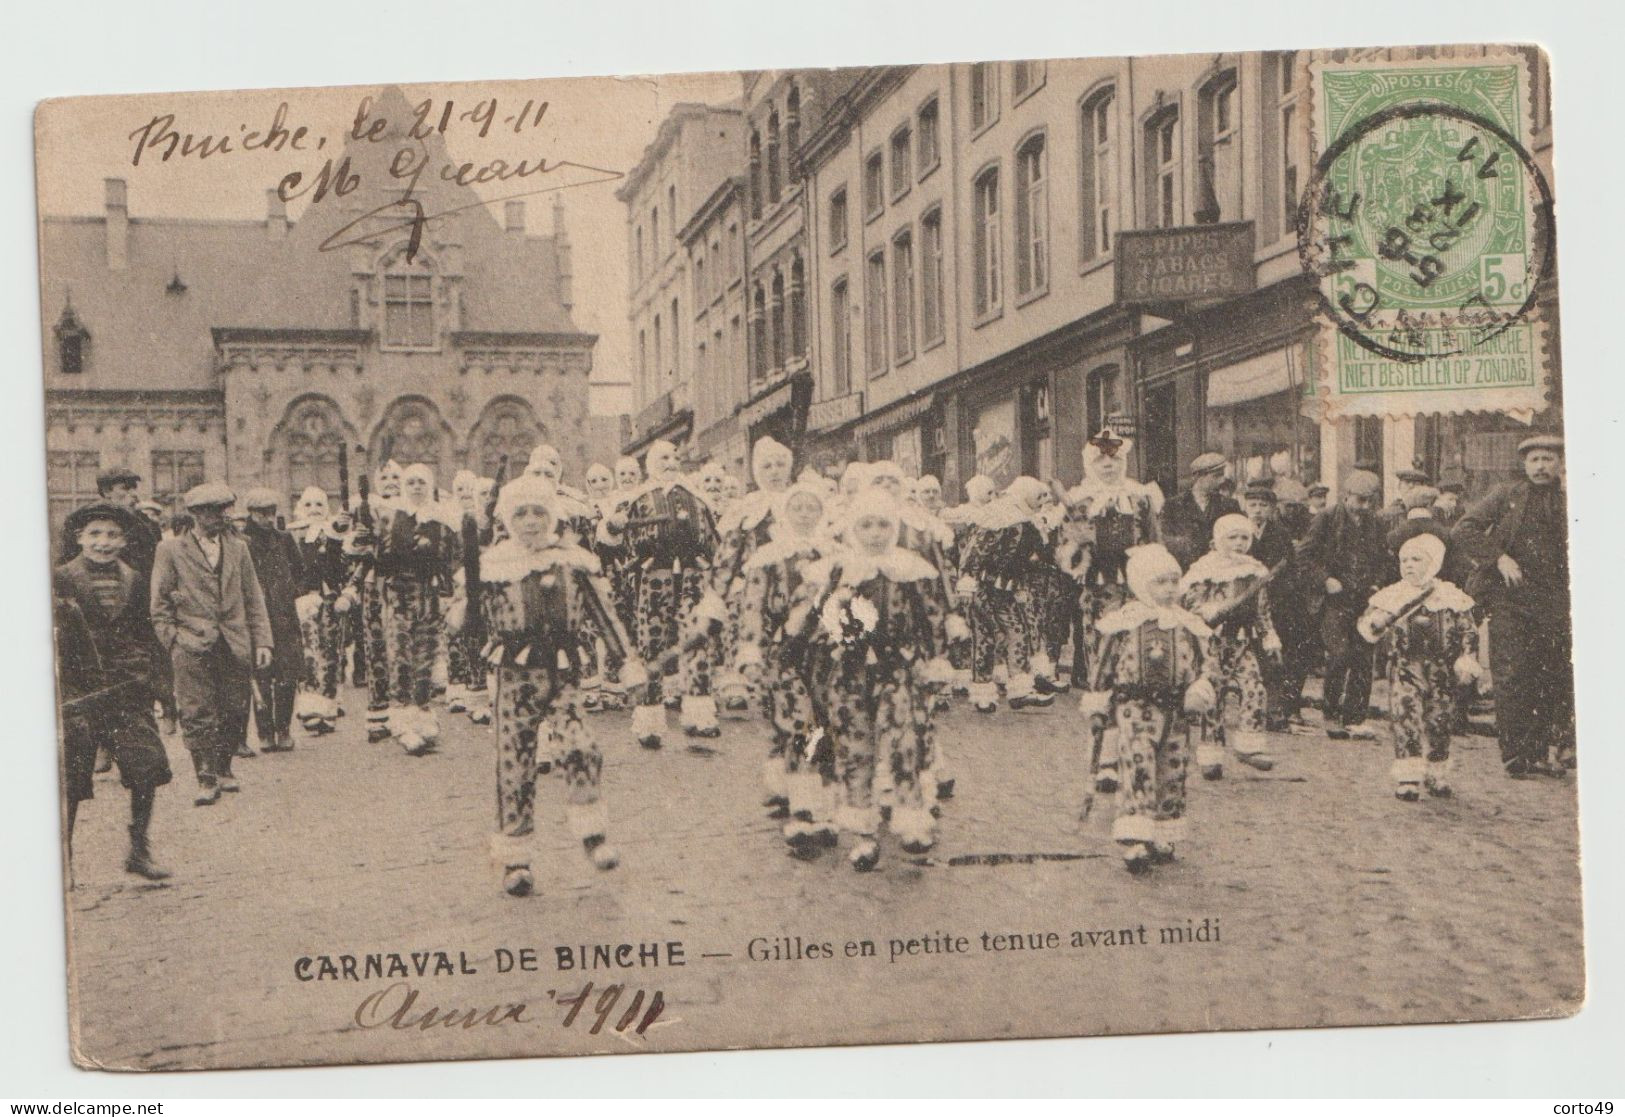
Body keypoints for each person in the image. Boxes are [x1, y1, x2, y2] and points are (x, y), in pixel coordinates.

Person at [460, 473, 639, 897]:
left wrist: (627, 662)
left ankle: (592, 832)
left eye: (538, 512)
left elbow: (604, 615)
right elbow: (465, 618)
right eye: (520, 514)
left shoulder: (572, 562)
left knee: (580, 745)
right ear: (507, 520)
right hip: (514, 675)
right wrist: (463, 609)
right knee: (514, 763)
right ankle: (516, 859)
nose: (530, 522)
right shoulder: (493, 566)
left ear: (551, 516)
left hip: (563, 672)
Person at [786, 488, 953, 869]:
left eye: (882, 525)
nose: (875, 533)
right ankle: (863, 830)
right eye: (866, 525)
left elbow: (932, 618)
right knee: (855, 748)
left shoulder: (908, 569)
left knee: (903, 741)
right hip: (848, 673)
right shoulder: (838, 569)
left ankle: (910, 819)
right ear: (853, 528)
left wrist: (935, 658)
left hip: (897, 670)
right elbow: (813, 616)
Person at [1078, 544, 1218, 875]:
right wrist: (1098, 702)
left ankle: (1162, 830)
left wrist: (1201, 686)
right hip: (1134, 705)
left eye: (1174, 582)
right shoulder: (1125, 622)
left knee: (1172, 769)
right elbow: (1102, 665)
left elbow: (1208, 663)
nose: (1169, 590)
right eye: (1160, 583)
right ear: (1142, 584)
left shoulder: (1188, 624)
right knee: (1138, 764)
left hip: (1176, 709)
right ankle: (1135, 837)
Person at [56, 502, 174, 880]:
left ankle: (138, 849)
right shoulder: (60, 579)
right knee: (70, 779)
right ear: (79, 538)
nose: (103, 543)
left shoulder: (135, 581)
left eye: (111, 535)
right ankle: (63, 860)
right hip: (78, 695)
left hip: (126, 691)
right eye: (94, 534)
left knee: (145, 766)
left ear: (124, 540)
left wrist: (149, 679)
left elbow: (146, 633)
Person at [1453, 434, 1574, 777]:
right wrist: (1499, 558)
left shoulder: (1570, 498)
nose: (1540, 466)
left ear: (1560, 464)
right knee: (1512, 675)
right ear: (1524, 464)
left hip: (1554, 602)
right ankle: (1514, 754)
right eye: (1534, 460)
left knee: (1548, 676)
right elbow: (1465, 529)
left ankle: (1537, 754)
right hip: (1511, 602)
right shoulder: (1507, 495)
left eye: (1547, 459)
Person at [149, 483, 273, 805]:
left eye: (221, 509)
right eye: (207, 510)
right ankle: (205, 777)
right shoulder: (171, 551)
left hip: (233, 642)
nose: (216, 517)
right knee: (196, 709)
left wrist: (263, 642)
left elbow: (253, 598)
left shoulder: (239, 549)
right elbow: (159, 605)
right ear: (193, 514)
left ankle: (224, 767)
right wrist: (174, 640)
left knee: (234, 707)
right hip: (191, 643)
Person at [598, 439, 723, 747]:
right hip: (654, 578)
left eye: (674, 456)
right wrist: (614, 526)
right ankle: (650, 721)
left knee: (697, 641)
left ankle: (700, 715)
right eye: (664, 457)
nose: (671, 462)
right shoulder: (638, 497)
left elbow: (715, 537)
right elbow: (610, 537)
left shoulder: (696, 495)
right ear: (651, 463)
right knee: (651, 646)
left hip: (693, 577)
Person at [736, 481, 839, 852]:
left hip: (828, 653)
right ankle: (804, 808)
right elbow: (753, 607)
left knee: (825, 725)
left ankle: (825, 806)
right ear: (785, 513)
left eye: (812, 508)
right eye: (798, 508)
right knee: (800, 722)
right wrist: (750, 649)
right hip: (785, 652)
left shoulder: (836, 557)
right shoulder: (769, 556)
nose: (805, 514)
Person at [1357, 533, 1482, 800]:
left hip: (1440, 670)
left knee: (1440, 720)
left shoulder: (1449, 595)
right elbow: (1367, 624)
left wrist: (1467, 657)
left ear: (1433, 562)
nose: (1409, 565)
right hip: (1404, 668)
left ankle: (1436, 773)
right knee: (1406, 717)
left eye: (1416, 559)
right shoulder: (1392, 595)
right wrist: (1374, 623)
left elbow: (1468, 631)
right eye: (1404, 560)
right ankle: (1408, 777)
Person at [1180, 514, 1281, 777]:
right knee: (1213, 697)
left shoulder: (1254, 570)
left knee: (1254, 687)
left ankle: (1249, 744)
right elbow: (1190, 603)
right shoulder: (1205, 569)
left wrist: (1269, 636)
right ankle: (1211, 753)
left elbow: (1262, 610)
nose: (1238, 543)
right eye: (1232, 537)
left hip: (1241, 642)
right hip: (1212, 643)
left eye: (1244, 537)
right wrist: (1211, 609)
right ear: (1218, 540)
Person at [375, 463, 460, 755]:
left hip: (429, 596)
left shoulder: (441, 519)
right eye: (410, 482)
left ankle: (422, 718)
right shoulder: (392, 518)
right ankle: (401, 722)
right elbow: (381, 560)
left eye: (421, 482)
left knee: (425, 656)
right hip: (399, 596)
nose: (416, 488)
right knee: (400, 656)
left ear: (430, 485)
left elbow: (451, 559)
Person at [1298, 469, 1388, 739]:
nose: (1366, 507)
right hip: (1334, 600)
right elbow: (1304, 557)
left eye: (1370, 501)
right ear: (1346, 496)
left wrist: (1377, 584)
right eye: (1360, 500)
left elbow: (1383, 560)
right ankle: (1332, 713)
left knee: (1363, 658)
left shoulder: (1376, 523)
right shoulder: (1326, 520)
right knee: (1339, 654)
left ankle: (1356, 718)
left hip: (1364, 601)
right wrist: (1325, 579)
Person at [956, 477, 1058, 713]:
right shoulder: (999, 516)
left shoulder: (1026, 519)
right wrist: (967, 581)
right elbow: (975, 549)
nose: (1041, 502)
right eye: (1038, 497)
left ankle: (1020, 689)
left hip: (1006, 587)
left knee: (1018, 630)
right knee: (984, 637)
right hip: (982, 585)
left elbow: (1027, 557)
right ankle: (983, 694)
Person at [712, 437, 795, 713]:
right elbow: (729, 552)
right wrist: (719, 589)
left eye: (780, 465)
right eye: (768, 466)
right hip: (754, 584)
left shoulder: (801, 501)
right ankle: (739, 684)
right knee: (745, 631)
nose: (774, 471)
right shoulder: (748, 507)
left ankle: (786, 686)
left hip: (794, 582)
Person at [241, 489, 306, 754]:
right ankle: (265, 733)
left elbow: (301, 572)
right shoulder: (243, 543)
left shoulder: (284, 539)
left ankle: (284, 730)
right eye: (262, 514)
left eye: (271, 513)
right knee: (261, 675)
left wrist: (292, 592)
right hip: (256, 618)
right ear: (251, 514)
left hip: (284, 617)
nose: (268, 519)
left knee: (287, 675)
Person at [1161, 452, 1240, 569]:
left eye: (1222, 475)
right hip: (1187, 568)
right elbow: (1165, 538)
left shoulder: (1229, 505)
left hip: (1221, 568)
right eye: (1216, 476)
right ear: (1199, 476)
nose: (1222, 480)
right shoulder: (1173, 505)